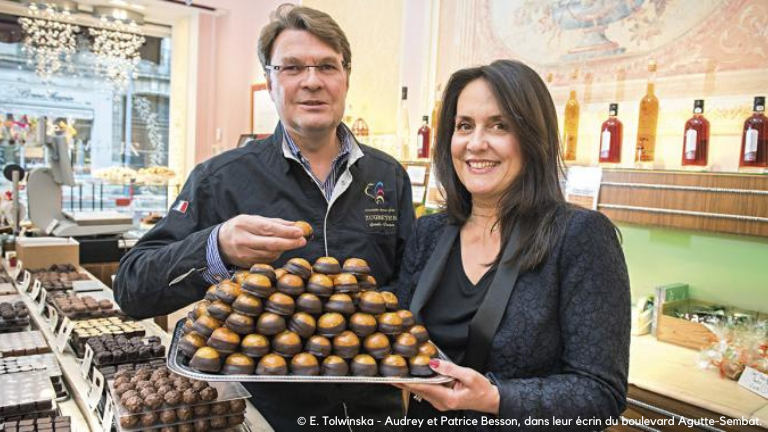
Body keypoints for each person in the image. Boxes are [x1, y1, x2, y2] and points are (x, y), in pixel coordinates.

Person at [113, 4, 414, 431]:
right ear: (269, 81)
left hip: (375, 415)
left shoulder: (388, 177)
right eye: (291, 67)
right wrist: (215, 246)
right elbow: (131, 288)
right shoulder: (221, 179)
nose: (312, 81)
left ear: (346, 77)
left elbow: (413, 289)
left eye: (327, 65)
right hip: (263, 417)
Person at [391, 59, 630, 430]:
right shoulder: (430, 233)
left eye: (499, 126)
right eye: (464, 126)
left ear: (535, 137)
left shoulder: (579, 236)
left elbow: (600, 393)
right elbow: (401, 339)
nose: (475, 143)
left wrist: (494, 398)